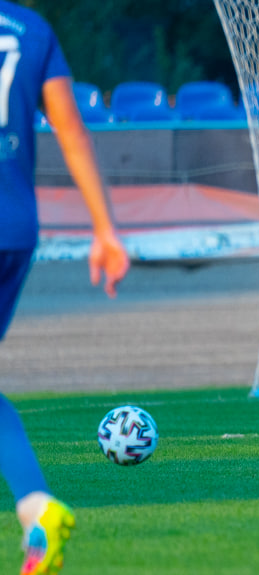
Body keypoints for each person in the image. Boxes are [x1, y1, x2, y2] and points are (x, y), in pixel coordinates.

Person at [1, 2, 130, 573]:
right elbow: (70, 128)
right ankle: (36, 510)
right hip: (15, 228)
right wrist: (104, 228)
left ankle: (37, 505)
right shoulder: (32, 29)